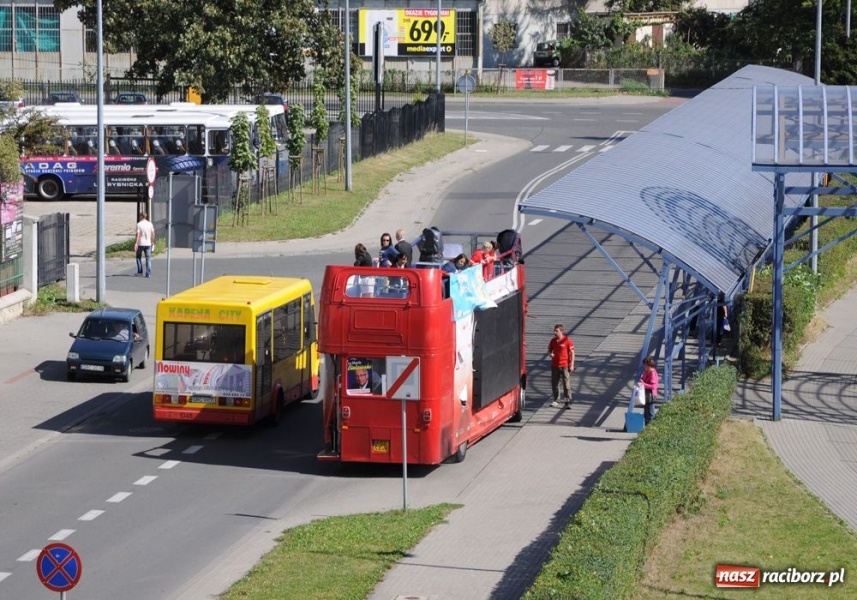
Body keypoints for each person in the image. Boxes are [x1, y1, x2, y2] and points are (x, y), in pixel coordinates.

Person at [548, 324, 575, 408]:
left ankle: (568, 401)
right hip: (555, 365)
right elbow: (549, 350)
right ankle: (556, 400)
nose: (554, 332)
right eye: (554, 331)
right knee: (555, 384)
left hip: (565, 366)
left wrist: (572, 364)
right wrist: (550, 354)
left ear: (561, 331)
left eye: (556, 331)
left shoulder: (567, 340)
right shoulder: (553, 341)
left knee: (566, 384)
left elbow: (572, 353)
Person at [134, 211, 155, 278]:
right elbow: (153, 233)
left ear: (141, 216)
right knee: (148, 258)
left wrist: (136, 243)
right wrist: (152, 241)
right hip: (148, 243)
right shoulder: (150, 224)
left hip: (140, 243)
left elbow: (138, 234)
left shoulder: (139, 224)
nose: (139, 217)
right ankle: (148, 273)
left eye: (140, 216)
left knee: (138, 257)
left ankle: (140, 272)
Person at [639, 356, 659, 425]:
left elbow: (653, 386)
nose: (644, 366)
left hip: (651, 395)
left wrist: (643, 384)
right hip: (647, 394)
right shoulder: (647, 372)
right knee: (646, 412)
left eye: (645, 365)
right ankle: (647, 426)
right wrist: (642, 380)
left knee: (650, 412)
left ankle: (651, 427)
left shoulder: (652, 373)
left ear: (648, 365)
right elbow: (643, 379)